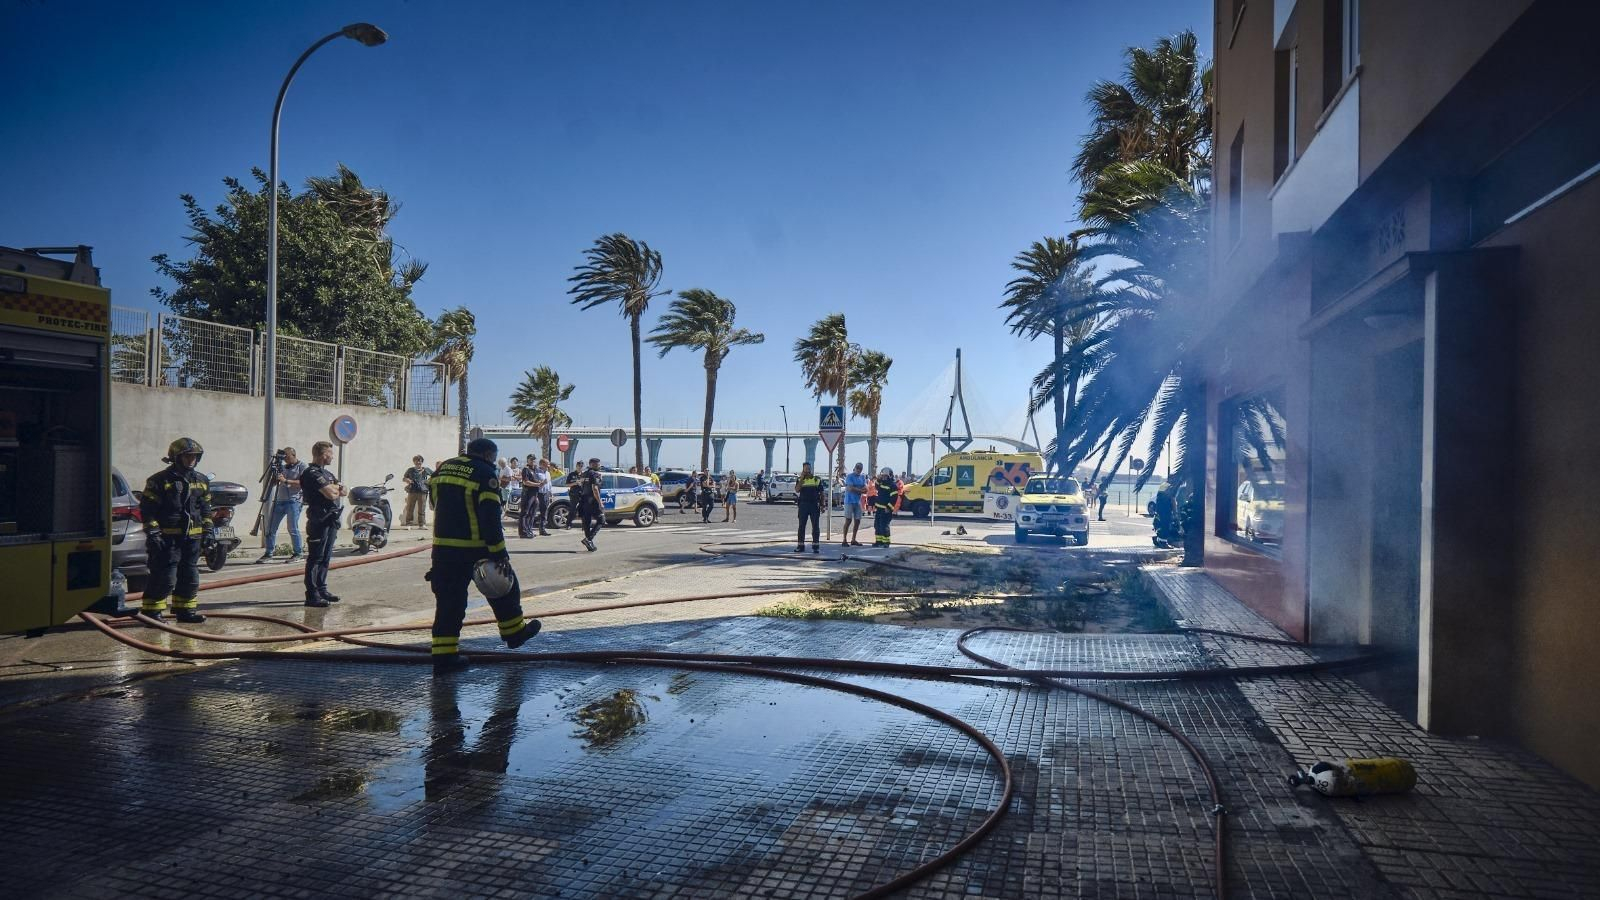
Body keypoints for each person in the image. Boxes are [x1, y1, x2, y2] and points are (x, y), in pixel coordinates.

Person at [427, 437, 540, 673]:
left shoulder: (443, 468)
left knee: (449, 603)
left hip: (443, 549)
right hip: (475, 546)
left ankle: (444, 657)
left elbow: (435, 503)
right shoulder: (484, 474)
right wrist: (500, 553)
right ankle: (514, 633)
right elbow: (490, 517)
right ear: (489, 455)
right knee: (505, 587)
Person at [138, 437, 214, 622]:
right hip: (167, 539)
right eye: (187, 456)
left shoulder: (202, 480)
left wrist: (209, 531)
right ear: (176, 457)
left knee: (190, 576)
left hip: (192, 539)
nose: (191, 460)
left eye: (194, 456)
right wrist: (153, 532)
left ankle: (185, 611)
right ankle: (151, 612)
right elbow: (147, 510)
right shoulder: (159, 481)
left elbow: (205, 509)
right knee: (165, 577)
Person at [298, 441, 345, 607]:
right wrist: (334, 488)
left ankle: (322, 588)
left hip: (331, 519)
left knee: (325, 557)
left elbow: (343, 490)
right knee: (315, 557)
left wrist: (334, 487)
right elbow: (331, 494)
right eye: (331, 454)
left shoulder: (327, 474)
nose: (332, 456)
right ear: (323, 454)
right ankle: (312, 595)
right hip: (319, 519)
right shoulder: (311, 473)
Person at [256, 446, 307, 563]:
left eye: (287, 457)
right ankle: (268, 553)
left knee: (292, 528)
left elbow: (303, 482)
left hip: (294, 501)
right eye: (284, 458)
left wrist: (286, 480)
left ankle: (298, 553)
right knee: (270, 528)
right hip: (279, 500)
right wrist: (274, 477)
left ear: (293, 455)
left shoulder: (302, 466)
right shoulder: (282, 467)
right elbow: (274, 483)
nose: (285, 460)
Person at [576, 456, 604, 551]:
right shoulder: (595, 474)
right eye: (598, 464)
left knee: (587, 523)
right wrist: (600, 503)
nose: (599, 466)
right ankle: (589, 539)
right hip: (593, 501)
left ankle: (589, 545)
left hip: (584, 500)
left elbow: (580, 485)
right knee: (601, 520)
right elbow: (595, 489)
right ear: (593, 464)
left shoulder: (583, 474)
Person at [871, 467, 903, 547]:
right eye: (883, 476)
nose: (884, 477)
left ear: (890, 476)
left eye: (885, 476)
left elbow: (894, 498)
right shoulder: (882, 483)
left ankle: (886, 542)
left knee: (884, 525)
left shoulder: (892, 485)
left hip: (886, 509)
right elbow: (877, 486)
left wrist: (888, 508)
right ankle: (879, 541)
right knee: (877, 525)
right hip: (879, 508)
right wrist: (879, 478)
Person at [795, 462, 823, 554]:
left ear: (811, 469)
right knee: (801, 526)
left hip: (814, 505)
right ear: (803, 469)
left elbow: (822, 493)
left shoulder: (816, 479)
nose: (807, 470)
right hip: (803, 505)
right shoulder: (800, 479)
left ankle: (815, 546)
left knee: (815, 526)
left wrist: (823, 505)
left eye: (808, 468)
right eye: (805, 468)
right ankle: (800, 546)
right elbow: (797, 490)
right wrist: (802, 478)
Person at [840, 462, 868, 547]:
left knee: (858, 520)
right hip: (849, 501)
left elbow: (866, 489)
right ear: (855, 468)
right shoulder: (850, 476)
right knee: (848, 520)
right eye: (857, 468)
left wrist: (857, 489)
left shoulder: (862, 477)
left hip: (857, 501)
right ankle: (844, 539)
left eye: (860, 468)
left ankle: (853, 539)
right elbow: (850, 488)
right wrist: (860, 490)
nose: (859, 470)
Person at [402, 454, 432, 528]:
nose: (418, 462)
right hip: (412, 491)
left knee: (422, 509)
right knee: (410, 508)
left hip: (423, 491)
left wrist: (428, 481)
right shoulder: (410, 470)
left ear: (422, 462)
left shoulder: (426, 469)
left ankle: (422, 524)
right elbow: (404, 478)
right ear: (414, 462)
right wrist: (407, 480)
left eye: (419, 461)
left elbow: (434, 475)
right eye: (416, 461)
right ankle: (408, 524)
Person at [517, 456, 541, 539]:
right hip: (527, 494)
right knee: (525, 513)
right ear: (528, 460)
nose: (533, 461)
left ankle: (529, 530)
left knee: (532, 514)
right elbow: (525, 482)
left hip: (534, 494)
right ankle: (523, 532)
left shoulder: (535, 470)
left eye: (534, 459)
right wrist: (537, 484)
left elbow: (536, 480)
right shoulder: (526, 469)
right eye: (531, 459)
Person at [529, 458, 553, 536]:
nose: (548, 465)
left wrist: (550, 494)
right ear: (542, 464)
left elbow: (549, 485)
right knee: (533, 512)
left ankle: (542, 530)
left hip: (546, 494)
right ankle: (529, 529)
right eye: (547, 464)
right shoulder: (536, 472)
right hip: (538, 494)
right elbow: (535, 482)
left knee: (544, 512)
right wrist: (542, 482)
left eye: (549, 464)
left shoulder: (548, 473)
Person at [566, 460, 586, 529]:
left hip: (583, 494)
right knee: (572, 510)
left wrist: (582, 483)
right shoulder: (571, 474)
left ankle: (584, 525)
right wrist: (575, 483)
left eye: (581, 466)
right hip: (574, 494)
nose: (580, 468)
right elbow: (567, 484)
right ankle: (568, 524)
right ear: (576, 466)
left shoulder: (584, 475)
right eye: (579, 466)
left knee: (583, 510)